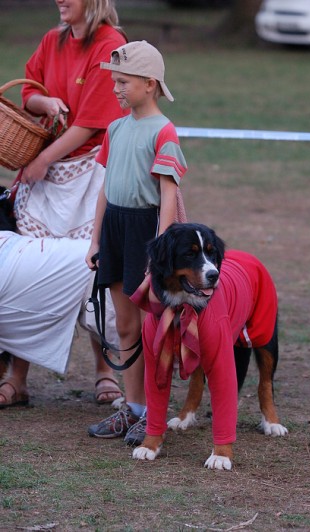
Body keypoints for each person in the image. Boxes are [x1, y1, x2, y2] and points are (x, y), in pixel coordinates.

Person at [1, 0, 129, 407]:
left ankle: (104, 371)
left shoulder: (110, 44)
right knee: (32, 273)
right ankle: (17, 376)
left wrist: (41, 159)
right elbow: (28, 90)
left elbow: (93, 120)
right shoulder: (51, 40)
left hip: (90, 173)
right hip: (48, 174)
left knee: (94, 271)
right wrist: (45, 104)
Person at [85, 40, 187, 445]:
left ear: (149, 83)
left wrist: (159, 248)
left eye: (123, 82)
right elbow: (105, 189)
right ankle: (135, 408)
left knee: (152, 329)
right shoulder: (115, 128)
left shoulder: (164, 131)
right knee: (125, 324)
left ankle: (155, 416)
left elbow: (168, 194)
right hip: (115, 228)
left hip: (147, 231)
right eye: (114, 81)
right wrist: (94, 239)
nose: (116, 89)